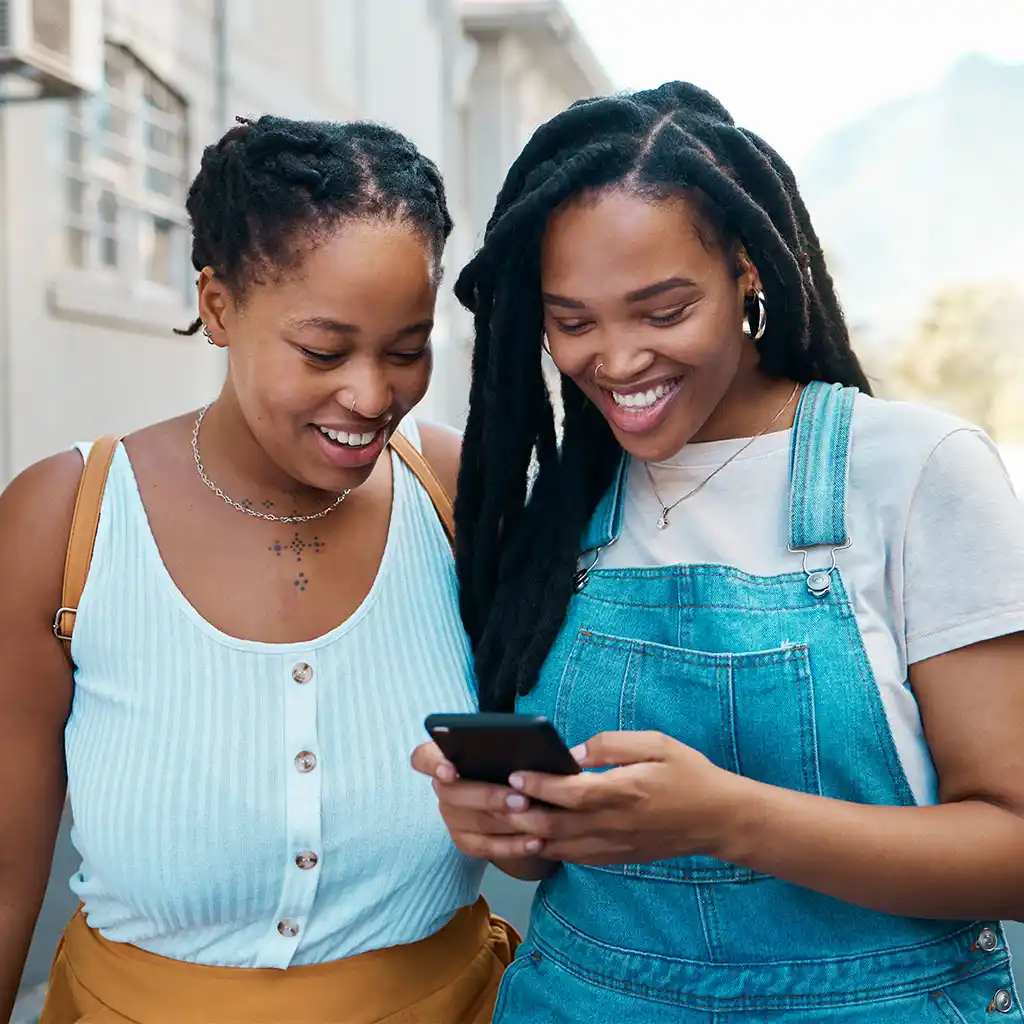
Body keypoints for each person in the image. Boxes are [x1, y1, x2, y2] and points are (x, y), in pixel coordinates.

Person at [413, 82, 1024, 1021]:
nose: (615, 362)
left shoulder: (915, 471)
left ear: (748, 270)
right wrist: (509, 829)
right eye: (572, 322)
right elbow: (552, 852)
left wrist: (730, 820)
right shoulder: (560, 511)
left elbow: (1013, 853)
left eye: (662, 312)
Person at [0, 115, 515, 1024]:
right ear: (220, 304)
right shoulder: (66, 521)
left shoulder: (459, 495)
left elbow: (544, 817)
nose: (371, 395)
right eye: (323, 351)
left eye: (407, 350)